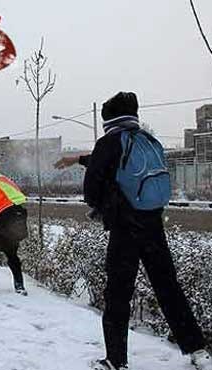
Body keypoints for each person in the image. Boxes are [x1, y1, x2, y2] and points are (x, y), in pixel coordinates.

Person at [55, 92, 212, 370]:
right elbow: (114, 162)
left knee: (118, 293)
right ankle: (197, 350)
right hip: (152, 225)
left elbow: (93, 187)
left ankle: (115, 361)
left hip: (125, 228)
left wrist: (101, 206)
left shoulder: (109, 142)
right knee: (168, 287)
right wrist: (78, 159)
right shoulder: (148, 141)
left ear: (109, 121)